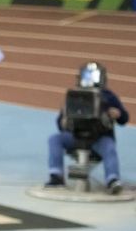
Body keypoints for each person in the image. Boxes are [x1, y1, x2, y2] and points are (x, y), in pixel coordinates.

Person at [45, 62, 128, 194]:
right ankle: (56, 177)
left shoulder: (108, 96)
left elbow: (124, 118)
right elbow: (60, 123)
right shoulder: (74, 95)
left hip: (99, 139)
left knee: (109, 146)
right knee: (54, 139)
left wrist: (117, 113)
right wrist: (64, 120)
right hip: (76, 137)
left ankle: (112, 180)